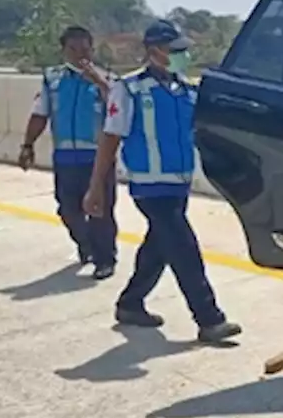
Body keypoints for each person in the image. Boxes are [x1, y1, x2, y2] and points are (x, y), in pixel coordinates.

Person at [82, 20, 241, 343]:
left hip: (178, 184)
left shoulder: (186, 90)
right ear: (154, 51)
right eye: (175, 49)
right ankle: (209, 319)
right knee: (184, 248)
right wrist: (96, 186)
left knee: (159, 247)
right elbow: (111, 139)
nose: (182, 55)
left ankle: (130, 303)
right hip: (150, 187)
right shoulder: (129, 90)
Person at [18, 25, 119, 279]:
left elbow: (118, 109)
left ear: (92, 50)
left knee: (100, 210)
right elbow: (40, 114)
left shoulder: (108, 80)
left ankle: (105, 259)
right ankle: (86, 244)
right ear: (63, 50)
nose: (79, 55)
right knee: (67, 210)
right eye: (72, 49)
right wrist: (27, 145)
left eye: (84, 49)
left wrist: (98, 81)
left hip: (98, 159)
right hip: (65, 158)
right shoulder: (52, 80)